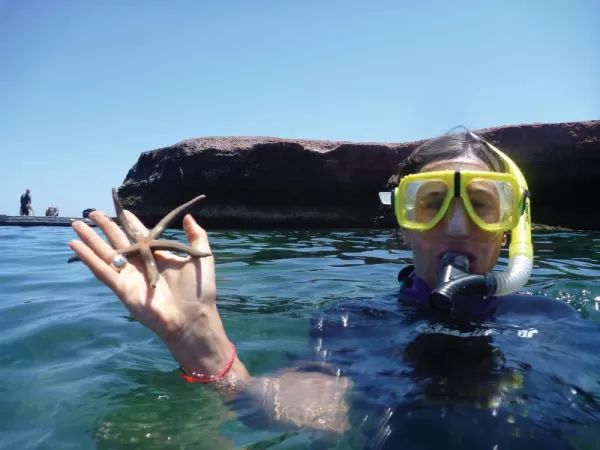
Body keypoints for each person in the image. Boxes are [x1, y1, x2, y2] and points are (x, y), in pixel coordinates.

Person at [68, 130, 593, 448]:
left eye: (482, 203)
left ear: (510, 226)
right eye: (430, 203)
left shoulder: (557, 320)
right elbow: (272, 410)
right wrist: (200, 342)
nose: (456, 227)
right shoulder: (350, 324)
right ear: (403, 224)